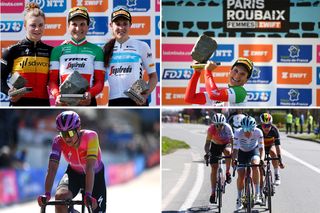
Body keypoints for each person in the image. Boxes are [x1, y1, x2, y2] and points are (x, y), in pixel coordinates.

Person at [37, 111, 106, 213]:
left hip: (94, 175)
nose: (66, 138)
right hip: (74, 173)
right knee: (60, 199)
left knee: (95, 208)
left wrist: (88, 194)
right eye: (63, 133)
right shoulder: (58, 141)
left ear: (78, 129)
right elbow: (52, 168)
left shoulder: (91, 136)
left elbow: (89, 167)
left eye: (70, 133)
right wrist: (47, 193)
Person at [49, 7, 105, 106]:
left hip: (88, 102)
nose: (78, 28)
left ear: (88, 26)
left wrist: (90, 94)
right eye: (74, 24)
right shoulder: (57, 50)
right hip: (64, 102)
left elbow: (100, 82)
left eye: (82, 24)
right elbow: (52, 82)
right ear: (68, 26)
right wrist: (57, 95)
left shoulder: (97, 51)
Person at [103, 6, 158, 106]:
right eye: (118, 24)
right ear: (111, 25)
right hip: (114, 100)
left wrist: (145, 95)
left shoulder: (142, 46)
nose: (121, 28)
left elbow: (153, 77)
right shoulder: (105, 49)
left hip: (135, 99)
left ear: (130, 25)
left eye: (125, 24)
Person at [1, 2, 52, 106]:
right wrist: (9, 92)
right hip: (19, 106)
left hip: (43, 107)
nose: (37, 29)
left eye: (41, 25)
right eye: (33, 25)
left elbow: (56, 81)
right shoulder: (12, 51)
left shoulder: (51, 51)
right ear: (25, 25)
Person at [184, 57, 253, 106]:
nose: (237, 76)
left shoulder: (241, 92)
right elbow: (189, 98)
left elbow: (213, 95)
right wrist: (197, 73)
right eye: (236, 71)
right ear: (230, 71)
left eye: (242, 74)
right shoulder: (221, 93)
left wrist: (208, 71)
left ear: (246, 79)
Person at [232, 116, 264, 210]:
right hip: (241, 152)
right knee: (241, 174)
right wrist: (234, 160)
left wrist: (262, 159)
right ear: (242, 127)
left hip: (253, 151)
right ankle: (239, 198)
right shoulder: (238, 132)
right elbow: (235, 150)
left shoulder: (258, 132)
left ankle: (257, 195)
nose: (247, 132)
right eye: (245, 129)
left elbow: (262, 149)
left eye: (250, 129)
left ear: (254, 128)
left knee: (255, 165)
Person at [204, 113, 233, 203]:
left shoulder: (228, 128)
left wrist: (234, 154)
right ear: (214, 124)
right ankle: (213, 193)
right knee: (214, 168)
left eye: (221, 125)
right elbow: (207, 144)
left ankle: (227, 172)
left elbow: (233, 142)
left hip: (226, 144)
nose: (219, 127)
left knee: (228, 152)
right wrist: (207, 153)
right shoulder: (211, 129)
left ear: (224, 124)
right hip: (215, 145)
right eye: (217, 125)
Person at [257, 113, 285, 188]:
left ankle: (276, 175)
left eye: (268, 125)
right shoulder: (257, 129)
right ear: (261, 124)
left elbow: (278, 146)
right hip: (260, 146)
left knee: (273, 152)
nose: (266, 128)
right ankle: (260, 186)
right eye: (264, 125)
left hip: (270, 145)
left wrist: (280, 160)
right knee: (260, 163)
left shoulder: (274, 130)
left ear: (271, 124)